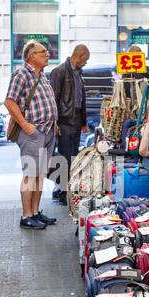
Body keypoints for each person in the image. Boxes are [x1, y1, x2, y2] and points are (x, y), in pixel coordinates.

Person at [5, 40, 58, 230]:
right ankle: (26, 215)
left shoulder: (42, 75)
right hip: (33, 133)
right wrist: (27, 126)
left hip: (47, 131)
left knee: (40, 174)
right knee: (30, 175)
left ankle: (35, 212)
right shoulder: (21, 74)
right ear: (31, 56)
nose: (47, 54)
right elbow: (10, 102)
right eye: (42, 51)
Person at [49, 43, 89, 205]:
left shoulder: (78, 73)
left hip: (75, 122)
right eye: (85, 59)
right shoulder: (59, 72)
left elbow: (81, 99)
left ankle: (64, 190)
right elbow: (54, 99)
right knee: (64, 157)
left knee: (72, 157)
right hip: (64, 122)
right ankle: (63, 191)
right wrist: (55, 122)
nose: (86, 62)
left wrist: (83, 122)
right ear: (79, 56)